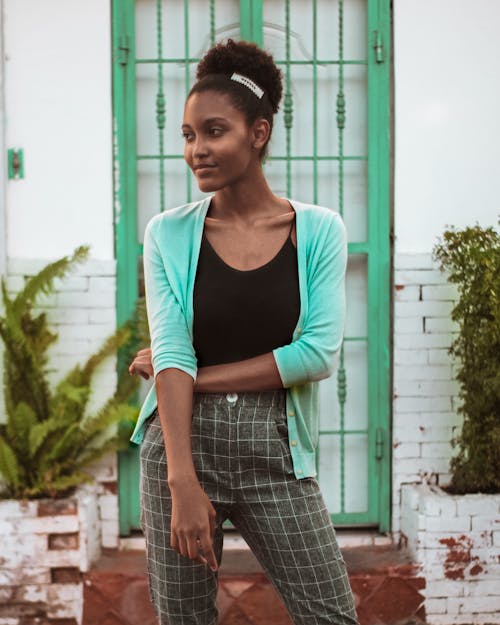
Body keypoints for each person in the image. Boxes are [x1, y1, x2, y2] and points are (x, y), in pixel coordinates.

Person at [128, 38, 359, 625]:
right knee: (184, 620)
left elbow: (315, 354)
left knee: (331, 615)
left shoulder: (318, 230)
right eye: (187, 135)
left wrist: (183, 377)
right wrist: (182, 481)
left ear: (258, 133)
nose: (196, 150)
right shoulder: (166, 233)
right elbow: (173, 345)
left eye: (213, 131)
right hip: (180, 447)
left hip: (274, 447)